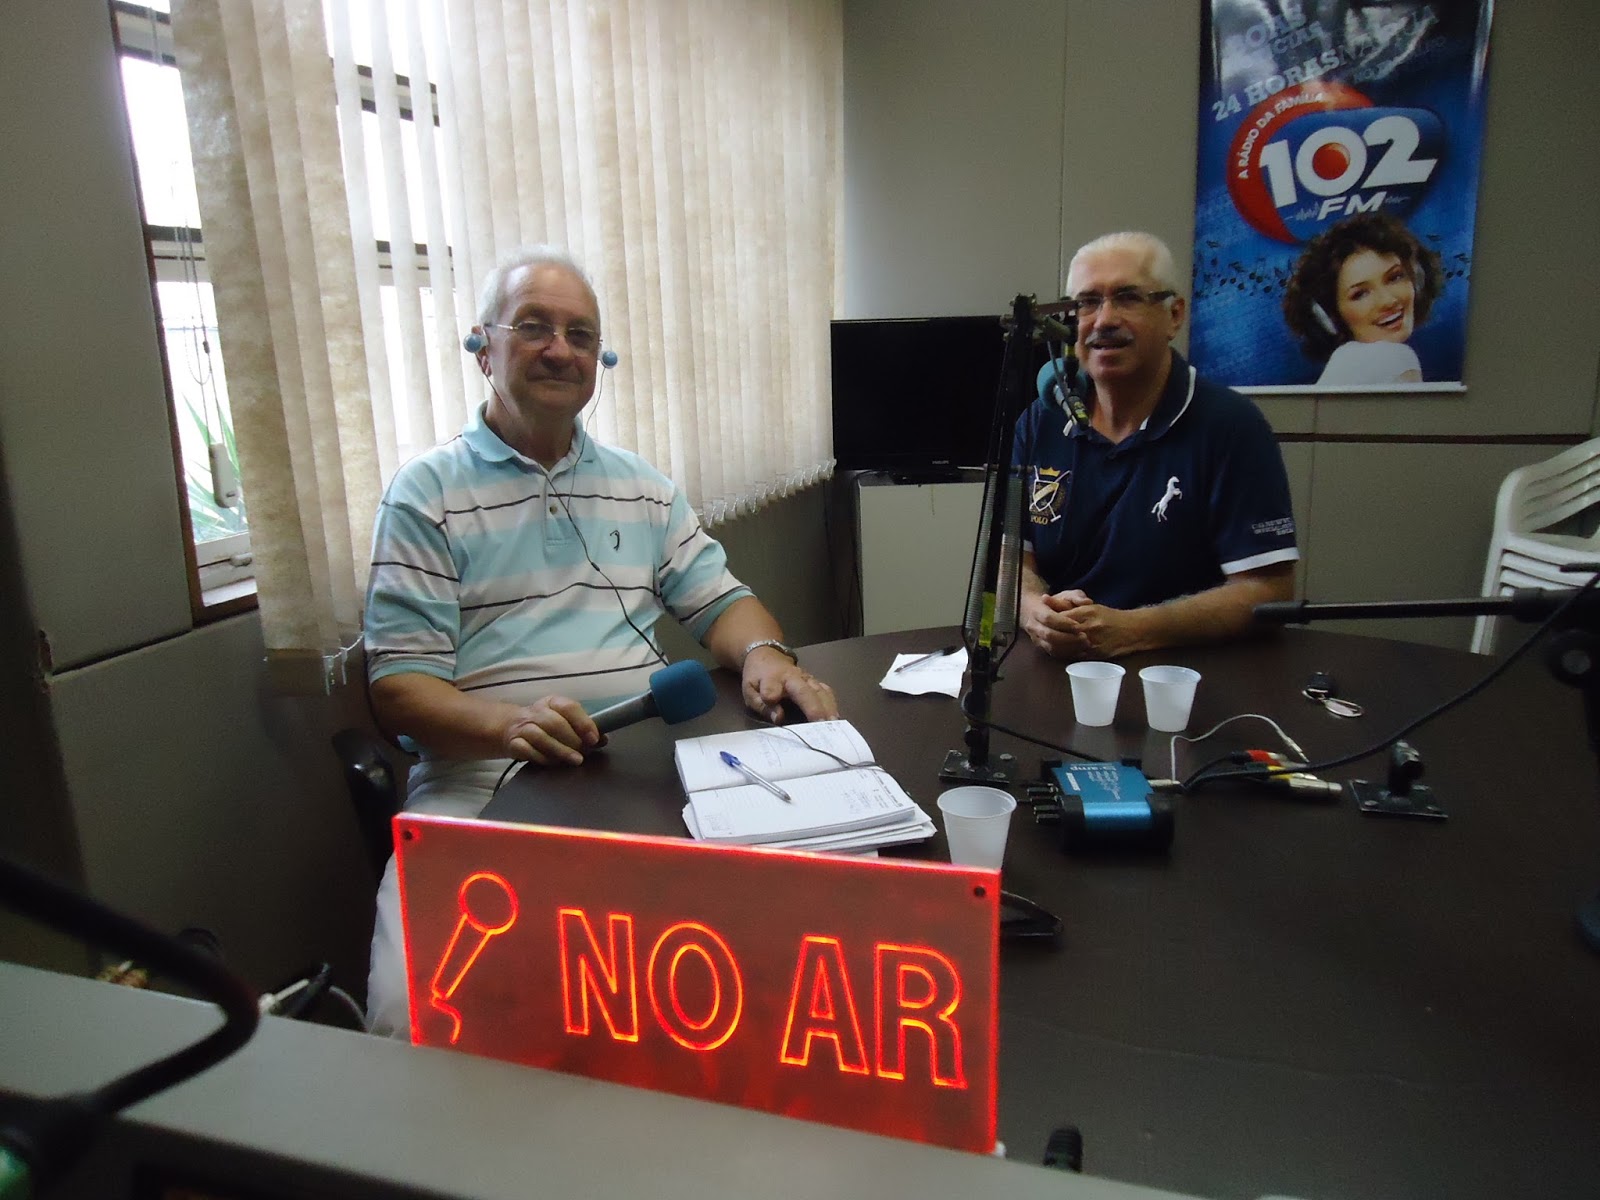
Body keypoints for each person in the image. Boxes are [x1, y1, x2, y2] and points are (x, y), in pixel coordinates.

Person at [360, 245, 838, 1036]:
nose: (560, 349)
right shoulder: (425, 495)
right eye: (534, 327)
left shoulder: (642, 486)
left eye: (580, 335)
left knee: (769, 968)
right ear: (482, 348)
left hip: (641, 771)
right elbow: (400, 691)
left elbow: (724, 603)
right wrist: (509, 724)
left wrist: (765, 655)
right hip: (483, 782)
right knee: (412, 1016)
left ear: (599, 361)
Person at [1016, 231, 1298, 661]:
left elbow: (1268, 589)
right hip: (1061, 666)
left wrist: (1131, 629)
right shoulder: (1041, 420)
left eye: (1128, 297)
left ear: (1174, 315)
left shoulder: (1232, 426)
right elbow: (1011, 560)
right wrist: (1032, 610)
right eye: (1087, 302)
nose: (1103, 319)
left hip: (1184, 676)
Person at [1282, 212, 1443, 387]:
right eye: (1360, 294)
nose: (1388, 301)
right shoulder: (1395, 358)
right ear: (1329, 317)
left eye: (1395, 277)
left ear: (1417, 277)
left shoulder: (1345, 360)